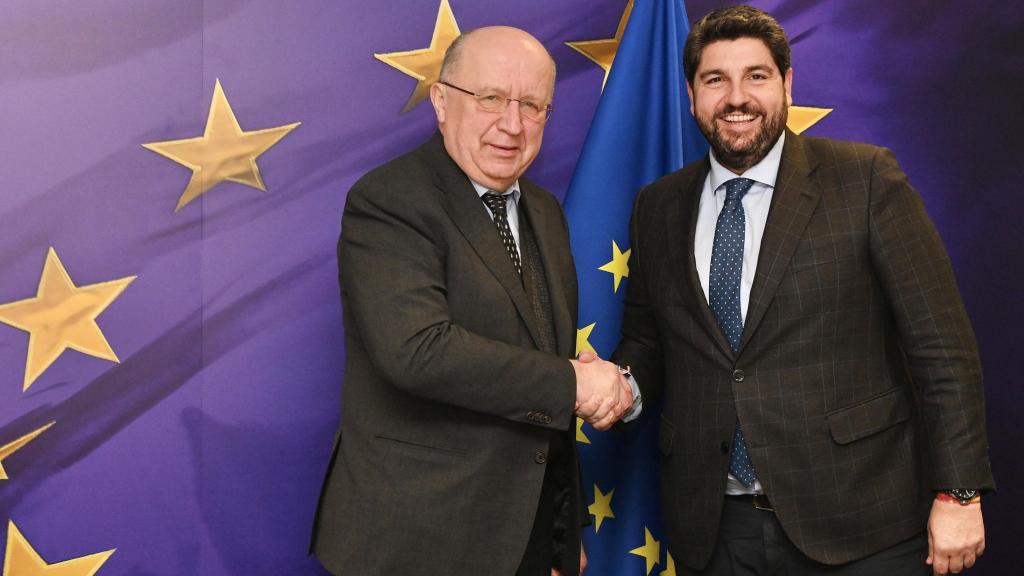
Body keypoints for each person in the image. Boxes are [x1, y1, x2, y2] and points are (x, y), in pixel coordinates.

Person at [613, 6, 994, 575]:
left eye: (757, 76)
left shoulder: (864, 180)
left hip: (863, 522)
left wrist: (959, 492)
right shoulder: (658, 206)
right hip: (715, 530)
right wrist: (618, 386)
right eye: (716, 79)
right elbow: (649, 340)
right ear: (691, 93)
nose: (736, 97)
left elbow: (942, 348)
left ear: (787, 84)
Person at [310, 26, 633, 576]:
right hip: (416, 542)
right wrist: (576, 385)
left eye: (532, 105)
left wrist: (559, 532)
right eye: (491, 99)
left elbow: (542, 370)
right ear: (441, 101)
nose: (512, 124)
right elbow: (418, 351)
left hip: (523, 538)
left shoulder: (545, 212)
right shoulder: (390, 201)